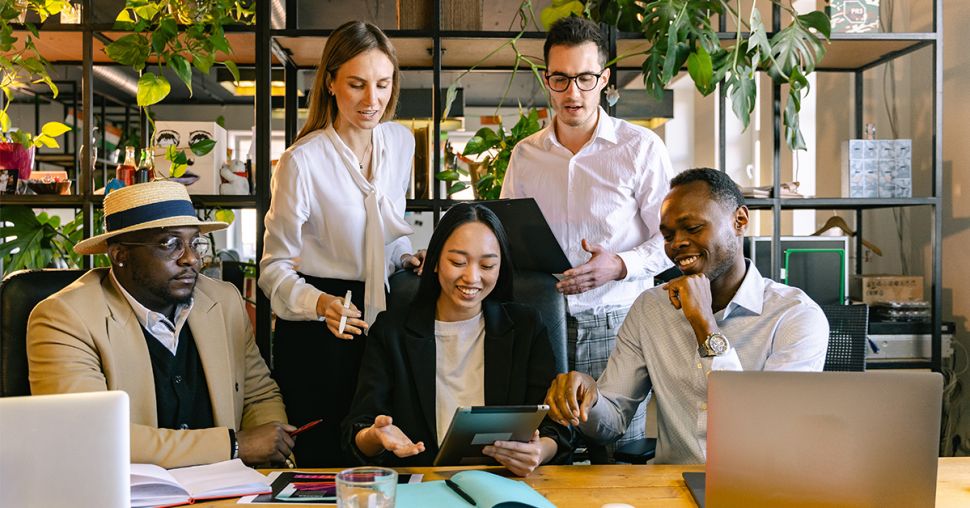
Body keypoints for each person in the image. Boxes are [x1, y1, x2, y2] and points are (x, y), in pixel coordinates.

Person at [544, 168, 830, 464]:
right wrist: (589, 399)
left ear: (740, 221)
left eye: (692, 228)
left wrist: (704, 324)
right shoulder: (650, 308)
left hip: (761, 488)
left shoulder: (796, 316)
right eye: (668, 235)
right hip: (673, 488)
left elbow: (764, 426)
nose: (677, 243)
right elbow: (612, 421)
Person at [27, 181, 294, 469]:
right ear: (120, 255)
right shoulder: (64, 317)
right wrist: (235, 446)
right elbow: (89, 435)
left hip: (229, 490)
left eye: (195, 243)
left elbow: (258, 396)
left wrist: (273, 459)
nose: (191, 259)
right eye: (170, 244)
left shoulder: (223, 300)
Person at [500, 16, 674, 455]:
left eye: (584, 78)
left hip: (619, 323)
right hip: (543, 323)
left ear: (604, 79)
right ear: (547, 79)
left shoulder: (640, 148)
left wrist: (618, 264)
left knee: (616, 455)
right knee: (541, 451)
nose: (572, 93)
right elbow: (500, 236)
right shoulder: (526, 155)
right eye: (560, 79)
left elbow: (672, 240)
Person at [258, 21, 424, 466]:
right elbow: (272, 268)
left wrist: (405, 257)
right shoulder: (302, 161)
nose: (373, 100)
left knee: (385, 446)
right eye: (356, 84)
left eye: (383, 84)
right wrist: (320, 304)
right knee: (322, 460)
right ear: (330, 82)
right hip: (319, 330)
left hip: (381, 324)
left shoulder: (401, 142)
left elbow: (383, 236)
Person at [342, 203, 572, 476]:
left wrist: (540, 450)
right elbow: (358, 430)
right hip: (422, 487)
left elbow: (556, 424)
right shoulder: (392, 331)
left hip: (505, 482)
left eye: (487, 265)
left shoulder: (525, 327)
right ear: (435, 262)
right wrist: (376, 436)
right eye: (458, 262)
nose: (472, 277)